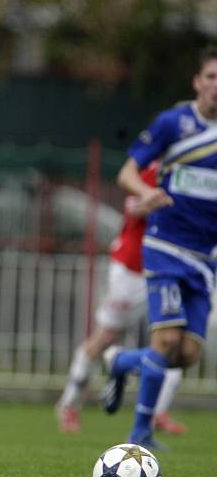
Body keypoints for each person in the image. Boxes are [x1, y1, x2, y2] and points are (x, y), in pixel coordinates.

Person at [99, 46, 217, 450]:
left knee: (185, 354)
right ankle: (139, 435)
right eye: (211, 77)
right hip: (165, 246)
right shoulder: (174, 123)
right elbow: (127, 173)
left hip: (205, 260)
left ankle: (120, 361)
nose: (216, 86)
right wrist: (147, 192)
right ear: (197, 82)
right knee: (165, 342)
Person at [56, 161, 188, 435]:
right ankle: (69, 405)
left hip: (168, 269)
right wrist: (159, 202)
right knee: (105, 337)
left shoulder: (197, 165)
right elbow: (132, 207)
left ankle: (156, 412)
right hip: (132, 268)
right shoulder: (156, 166)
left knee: (177, 339)